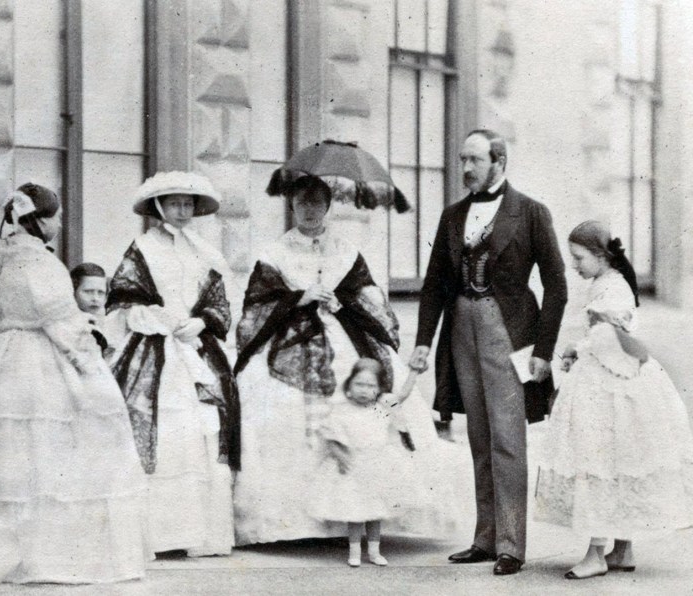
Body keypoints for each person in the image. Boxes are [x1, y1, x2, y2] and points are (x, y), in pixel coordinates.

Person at [0, 183, 148, 585]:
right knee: (46, 451)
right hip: (38, 357)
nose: (60, 224)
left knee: (8, 453)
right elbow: (60, 320)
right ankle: (44, 553)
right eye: (56, 216)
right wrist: (89, 359)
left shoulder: (6, 259)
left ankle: (7, 546)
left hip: (4, 352)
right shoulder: (42, 264)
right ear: (38, 220)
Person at [233, 175, 453, 546]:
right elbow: (257, 304)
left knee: (375, 390)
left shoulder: (345, 250)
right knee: (279, 403)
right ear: (292, 205)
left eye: (317, 202)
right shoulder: (275, 252)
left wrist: (341, 302)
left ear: (327, 207)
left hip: (342, 334)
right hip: (290, 339)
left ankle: (370, 509)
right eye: (302, 202)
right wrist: (298, 299)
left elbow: (369, 297)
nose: (309, 209)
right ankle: (297, 523)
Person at [409, 129, 568, 575]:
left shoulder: (531, 212)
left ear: (499, 161)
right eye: (462, 159)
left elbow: (556, 285)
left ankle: (512, 544)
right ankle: (485, 537)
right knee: (477, 434)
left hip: (509, 332)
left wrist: (545, 350)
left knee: (508, 439)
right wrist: (423, 341)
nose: (465, 169)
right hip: (461, 326)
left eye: (474, 160)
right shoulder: (453, 215)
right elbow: (435, 283)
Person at [535, 220, 693, 580]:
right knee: (616, 459)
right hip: (608, 375)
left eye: (579, 258)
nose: (575, 265)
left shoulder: (613, 289)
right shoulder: (606, 284)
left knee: (599, 458)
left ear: (601, 256)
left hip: (612, 381)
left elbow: (612, 337)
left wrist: (577, 347)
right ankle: (621, 546)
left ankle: (596, 553)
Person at [107, 170, 239, 557]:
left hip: (195, 347)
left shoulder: (206, 251)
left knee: (200, 431)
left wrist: (203, 321)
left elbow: (220, 299)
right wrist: (158, 318)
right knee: (160, 429)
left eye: (188, 203)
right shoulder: (142, 247)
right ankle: (157, 535)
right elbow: (123, 297)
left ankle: (198, 534)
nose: (182, 210)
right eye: (174, 203)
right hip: (154, 350)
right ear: (158, 207)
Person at [308, 358, 424, 567]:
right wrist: (341, 456)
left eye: (371, 386)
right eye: (359, 384)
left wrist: (414, 372)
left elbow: (403, 395)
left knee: (375, 512)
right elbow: (330, 435)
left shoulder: (382, 407)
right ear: (349, 385)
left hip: (377, 466)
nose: (364, 390)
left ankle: (374, 551)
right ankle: (354, 552)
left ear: (379, 389)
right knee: (355, 512)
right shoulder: (342, 410)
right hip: (353, 465)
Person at [69, 263, 112, 357]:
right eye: (88, 292)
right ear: (73, 292)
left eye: (100, 292)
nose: (95, 298)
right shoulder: (67, 326)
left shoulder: (101, 324)